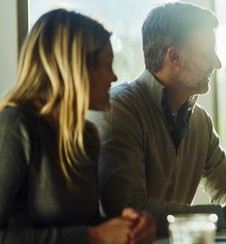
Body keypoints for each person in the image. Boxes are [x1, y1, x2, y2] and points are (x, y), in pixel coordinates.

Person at [87, 2, 226, 235]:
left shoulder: (200, 121)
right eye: (207, 54)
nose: (217, 63)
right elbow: (126, 209)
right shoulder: (118, 110)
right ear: (174, 56)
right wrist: (222, 216)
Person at [0, 9, 157, 244]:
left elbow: (86, 224)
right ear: (77, 68)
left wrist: (129, 225)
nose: (114, 77)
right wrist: (93, 236)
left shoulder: (86, 135)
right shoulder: (15, 125)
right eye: (108, 64)